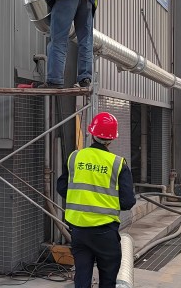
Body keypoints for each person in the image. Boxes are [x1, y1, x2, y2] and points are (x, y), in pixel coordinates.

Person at [57, 112, 136, 288]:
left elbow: (62, 187)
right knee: (108, 279)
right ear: (111, 140)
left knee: (82, 276)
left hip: (78, 231)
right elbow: (128, 201)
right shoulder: (117, 163)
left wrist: (82, 198)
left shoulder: (75, 157)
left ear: (92, 133)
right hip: (104, 232)